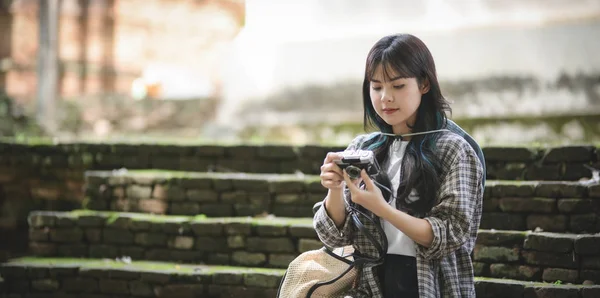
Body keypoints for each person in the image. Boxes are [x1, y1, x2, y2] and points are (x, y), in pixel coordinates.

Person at [313, 33, 485, 298]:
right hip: (373, 284)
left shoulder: (453, 149)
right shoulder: (364, 147)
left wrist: (381, 208)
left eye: (398, 86)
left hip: (430, 283)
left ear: (424, 84)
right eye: (377, 87)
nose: (385, 98)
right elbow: (334, 237)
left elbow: (449, 233)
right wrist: (334, 188)